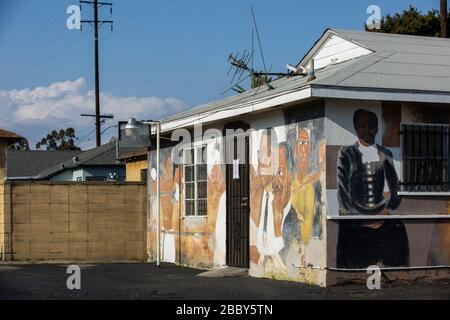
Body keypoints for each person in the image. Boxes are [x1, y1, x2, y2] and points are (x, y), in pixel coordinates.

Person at [336, 109, 409, 268]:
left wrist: (386, 211)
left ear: (377, 129)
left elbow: (395, 188)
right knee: (348, 233)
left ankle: (398, 271)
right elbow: (342, 192)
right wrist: (358, 217)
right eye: (362, 126)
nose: (367, 131)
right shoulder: (346, 153)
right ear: (356, 128)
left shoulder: (385, 153)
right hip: (354, 215)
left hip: (380, 212)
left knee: (397, 228)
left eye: (371, 127)